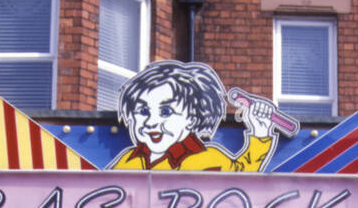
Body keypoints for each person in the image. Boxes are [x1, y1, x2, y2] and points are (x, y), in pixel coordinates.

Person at [109, 60, 277, 171]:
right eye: (143, 111)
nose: (151, 122)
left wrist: (260, 134)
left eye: (166, 112)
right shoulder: (127, 162)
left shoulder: (208, 159)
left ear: (192, 118)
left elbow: (243, 183)